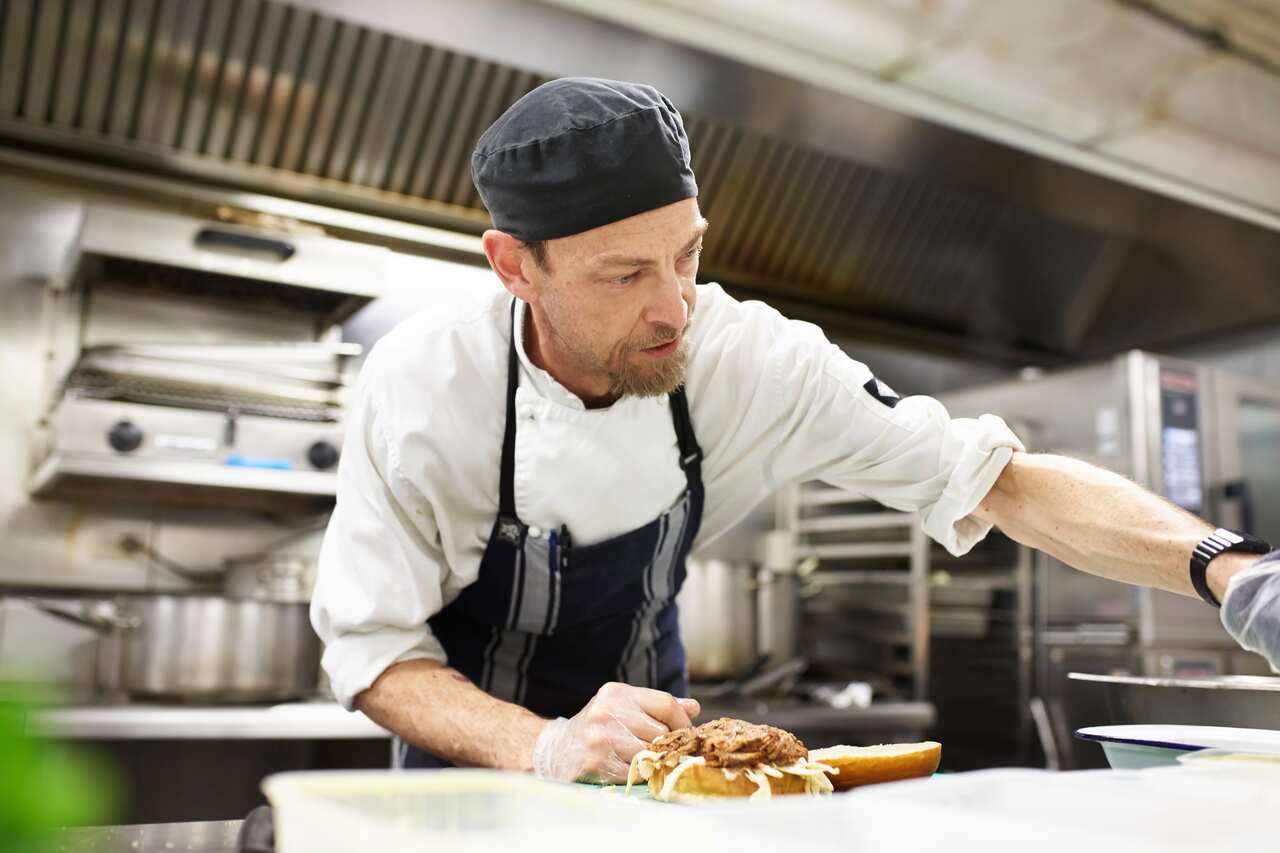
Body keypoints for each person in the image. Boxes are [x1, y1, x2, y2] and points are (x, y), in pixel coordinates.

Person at [311, 77, 1273, 783]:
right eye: (623, 275)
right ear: (516, 267)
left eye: (687, 254)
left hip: (662, 781)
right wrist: (544, 743)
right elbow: (373, 652)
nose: (674, 307)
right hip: (462, 792)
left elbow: (998, 479)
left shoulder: (753, 361)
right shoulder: (423, 387)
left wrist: (1232, 569)